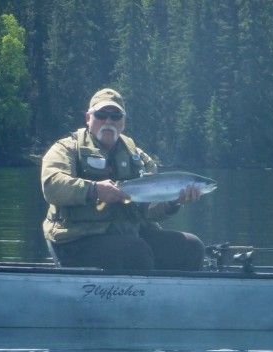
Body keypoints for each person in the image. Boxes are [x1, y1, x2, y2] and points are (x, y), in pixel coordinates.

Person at [41, 88, 205, 270]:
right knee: (135, 253)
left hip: (127, 235)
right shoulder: (66, 148)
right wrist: (94, 189)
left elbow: (147, 211)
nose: (108, 121)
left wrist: (172, 202)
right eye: (101, 114)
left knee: (191, 247)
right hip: (74, 240)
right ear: (88, 118)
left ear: (123, 121)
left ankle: (168, 297)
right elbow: (51, 185)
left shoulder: (139, 158)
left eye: (115, 116)